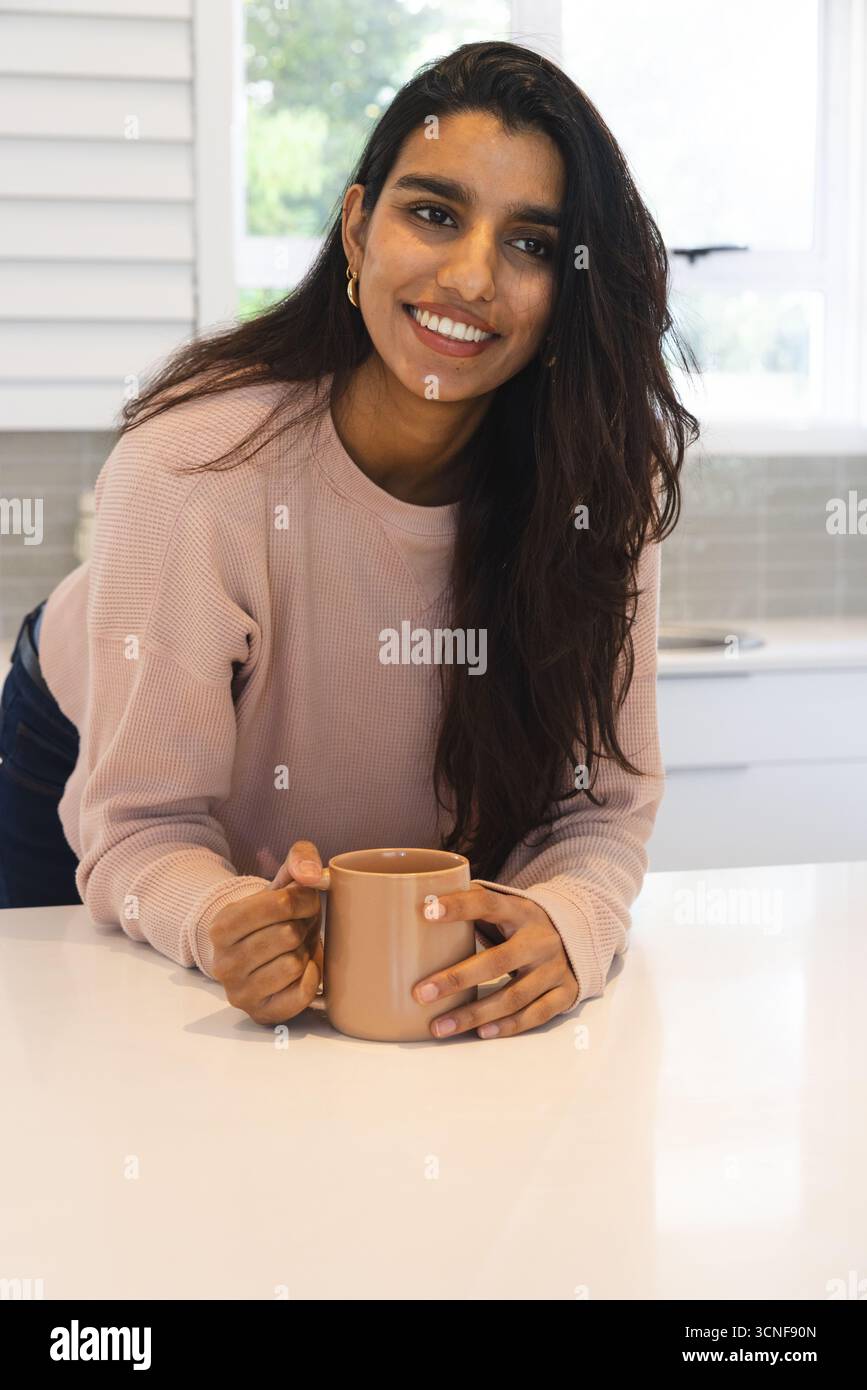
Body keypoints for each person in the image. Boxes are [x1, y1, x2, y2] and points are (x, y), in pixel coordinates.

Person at [0, 41, 698, 1038]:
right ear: (359, 228)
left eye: (532, 244)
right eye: (434, 213)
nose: (471, 276)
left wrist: (568, 918)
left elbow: (596, 813)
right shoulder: (193, 472)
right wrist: (219, 916)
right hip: (82, 747)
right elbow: (146, 828)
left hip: (354, 838)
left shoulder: (596, 494)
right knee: (87, 1067)